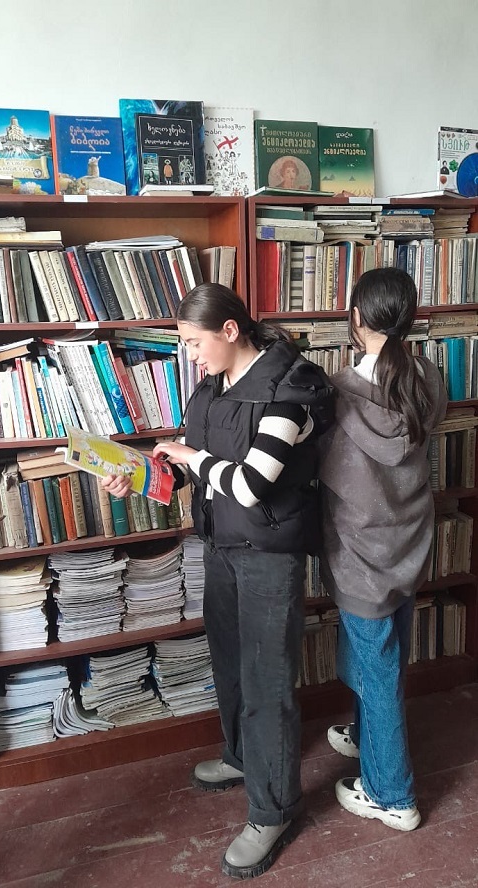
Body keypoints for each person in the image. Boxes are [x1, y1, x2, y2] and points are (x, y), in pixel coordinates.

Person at [102, 283, 335, 879]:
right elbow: (193, 472)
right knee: (229, 663)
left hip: (269, 554)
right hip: (221, 547)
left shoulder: (293, 387)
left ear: (230, 330)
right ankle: (240, 756)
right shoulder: (211, 385)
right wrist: (140, 476)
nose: (190, 355)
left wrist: (190, 459)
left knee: (267, 682)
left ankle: (272, 810)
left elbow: (251, 484)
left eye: (193, 342)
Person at [318, 267, 447, 832]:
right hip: (409, 543)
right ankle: (368, 734)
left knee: (379, 672)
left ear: (355, 317)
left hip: (360, 553)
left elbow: (323, 470)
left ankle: (392, 796)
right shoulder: (429, 377)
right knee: (383, 655)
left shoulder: (338, 393)